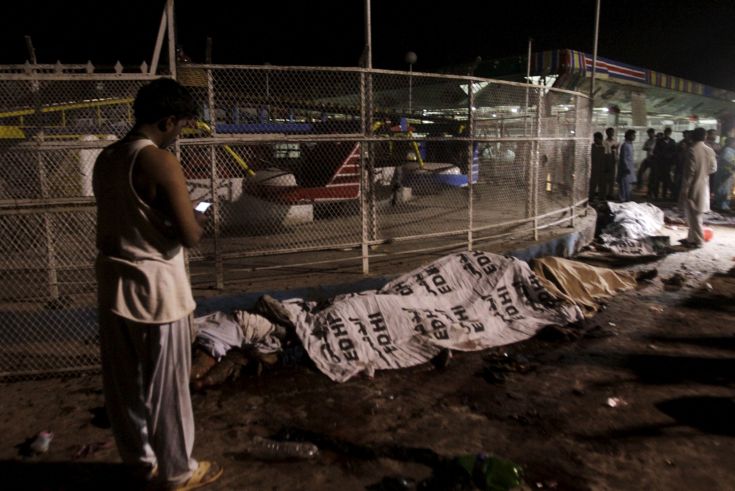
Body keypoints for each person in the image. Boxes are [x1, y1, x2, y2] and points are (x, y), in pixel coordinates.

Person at [93, 78, 223, 489]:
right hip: (157, 293)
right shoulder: (160, 161)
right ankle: (179, 473)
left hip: (115, 286)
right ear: (168, 120)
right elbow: (189, 235)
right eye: (182, 125)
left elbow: (137, 217)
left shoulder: (107, 157)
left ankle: (138, 462)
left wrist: (166, 219)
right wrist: (199, 211)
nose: (180, 133)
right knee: (167, 389)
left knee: (125, 387)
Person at [678, 127, 717, 248]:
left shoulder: (692, 150)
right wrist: (703, 173)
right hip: (704, 185)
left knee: (694, 216)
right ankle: (691, 239)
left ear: (692, 137)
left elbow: (690, 172)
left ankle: (698, 241)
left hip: (692, 186)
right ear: (705, 137)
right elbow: (713, 168)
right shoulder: (710, 150)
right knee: (694, 215)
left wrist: (685, 189)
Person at [650, 127, 676, 199]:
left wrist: (672, 162)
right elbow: (656, 151)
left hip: (667, 164)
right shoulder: (659, 141)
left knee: (666, 180)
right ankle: (656, 194)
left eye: (668, 133)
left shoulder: (672, 142)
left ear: (670, 133)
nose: (667, 134)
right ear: (664, 133)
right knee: (657, 180)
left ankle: (664, 195)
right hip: (660, 163)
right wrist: (661, 155)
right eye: (666, 133)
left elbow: (674, 153)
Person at [713, 136, 735, 210]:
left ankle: (724, 205)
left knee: (726, 190)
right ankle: (722, 206)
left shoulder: (730, 150)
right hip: (724, 174)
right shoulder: (727, 150)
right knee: (723, 190)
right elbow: (730, 161)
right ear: (731, 143)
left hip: (727, 174)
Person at [617, 129, 637, 202]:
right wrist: (626, 167)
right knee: (624, 186)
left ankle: (627, 200)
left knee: (628, 187)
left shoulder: (630, 145)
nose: (634, 137)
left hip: (629, 169)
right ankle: (622, 201)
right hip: (625, 170)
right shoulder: (625, 145)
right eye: (633, 135)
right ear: (628, 136)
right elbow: (624, 158)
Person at [589, 132, 606, 200]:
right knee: (593, 184)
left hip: (602, 169)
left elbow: (607, 157)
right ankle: (591, 198)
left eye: (598, 139)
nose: (595, 140)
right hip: (594, 169)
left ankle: (602, 198)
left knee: (602, 185)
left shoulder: (604, 147)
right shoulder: (592, 147)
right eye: (595, 139)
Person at [602, 127, 618, 199]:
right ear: (607, 133)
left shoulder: (615, 141)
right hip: (606, 160)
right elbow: (605, 153)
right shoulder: (604, 142)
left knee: (612, 178)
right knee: (605, 178)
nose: (611, 133)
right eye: (610, 132)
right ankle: (604, 194)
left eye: (612, 132)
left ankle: (610, 194)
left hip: (613, 161)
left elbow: (616, 151)